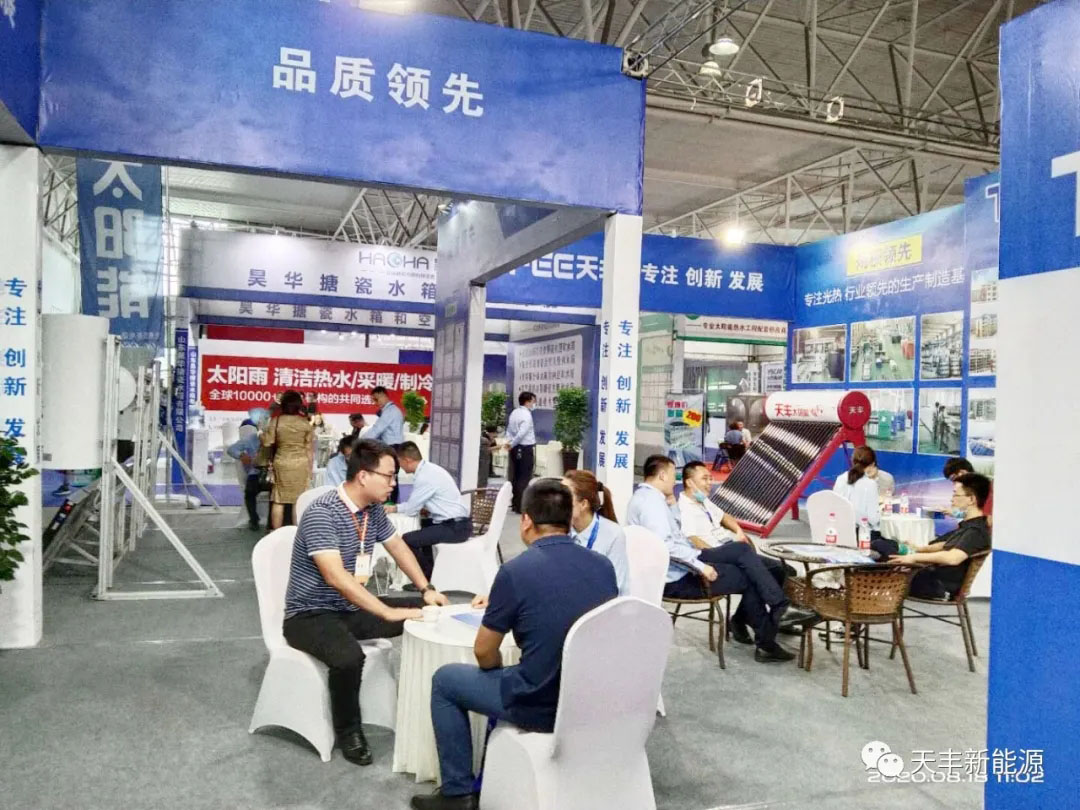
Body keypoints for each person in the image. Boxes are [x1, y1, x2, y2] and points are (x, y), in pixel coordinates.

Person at [410, 479, 617, 810]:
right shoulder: (603, 567)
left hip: (538, 703)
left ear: (526, 521)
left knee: (446, 681)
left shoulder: (515, 571)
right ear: (568, 519)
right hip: (589, 700)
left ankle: (457, 793)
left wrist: (496, 671)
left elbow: (483, 652)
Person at [283, 439, 449, 767]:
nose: (393, 483)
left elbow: (397, 546)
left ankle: (424, 705)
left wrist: (426, 588)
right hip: (309, 615)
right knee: (349, 658)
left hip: (350, 609)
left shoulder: (371, 511)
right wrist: (386, 611)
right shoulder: (323, 513)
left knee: (432, 611)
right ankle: (349, 731)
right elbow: (335, 576)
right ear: (363, 476)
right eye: (388, 476)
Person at [626, 455, 805, 662]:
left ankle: (775, 614)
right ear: (663, 475)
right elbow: (667, 546)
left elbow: (674, 534)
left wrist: (672, 506)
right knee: (750, 574)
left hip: (686, 561)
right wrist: (701, 566)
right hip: (680, 575)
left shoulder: (650, 499)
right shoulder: (652, 504)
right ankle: (770, 630)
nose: (675, 482)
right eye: (673, 476)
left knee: (744, 553)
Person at [888, 473, 992, 599]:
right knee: (886, 549)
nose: (952, 499)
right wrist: (918, 550)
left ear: (971, 499)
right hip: (932, 576)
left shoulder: (976, 531)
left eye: (955, 494)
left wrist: (914, 557)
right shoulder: (968, 526)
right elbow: (945, 545)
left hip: (939, 585)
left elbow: (953, 558)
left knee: (885, 562)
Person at [385, 441, 472, 581]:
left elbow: (411, 510)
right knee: (423, 527)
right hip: (459, 523)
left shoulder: (424, 477)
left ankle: (425, 578)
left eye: (399, 462)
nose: (399, 466)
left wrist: (394, 508)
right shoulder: (430, 469)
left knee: (407, 540)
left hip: (455, 527)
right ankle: (431, 574)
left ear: (407, 460)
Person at [562, 470, 630, 594]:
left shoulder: (613, 534)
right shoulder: (559, 529)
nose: (558, 502)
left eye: (565, 497)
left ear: (583, 504)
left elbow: (618, 586)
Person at [261, 390, 315, 529]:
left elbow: (267, 442)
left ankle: (276, 533)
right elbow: (309, 449)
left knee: (278, 499)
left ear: (283, 405)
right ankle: (296, 534)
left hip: (282, 462)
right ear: (299, 405)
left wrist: (261, 434)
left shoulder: (276, 421)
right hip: (300, 464)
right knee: (298, 500)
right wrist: (310, 469)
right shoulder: (305, 423)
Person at [833, 446, 882, 539]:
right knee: (892, 544)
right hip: (861, 535)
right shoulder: (870, 484)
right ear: (872, 464)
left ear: (853, 461)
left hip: (839, 532)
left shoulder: (840, 479)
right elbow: (873, 519)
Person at [366, 386, 405, 502]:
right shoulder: (392, 410)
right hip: (393, 447)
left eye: (376, 399)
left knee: (389, 477)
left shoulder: (390, 412)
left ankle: (391, 503)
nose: (375, 403)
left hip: (392, 447)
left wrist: (359, 441)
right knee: (390, 476)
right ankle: (391, 502)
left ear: (383, 395)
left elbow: (377, 430)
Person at [227, 422, 264, 531]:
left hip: (274, 472)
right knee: (250, 492)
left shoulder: (279, 437)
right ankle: (254, 519)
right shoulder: (251, 439)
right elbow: (231, 449)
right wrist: (241, 455)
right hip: (256, 472)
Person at [505, 391, 537, 513]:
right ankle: (521, 506)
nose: (534, 404)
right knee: (524, 477)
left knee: (516, 476)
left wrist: (510, 443)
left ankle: (515, 503)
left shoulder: (514, 412)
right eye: (533, 401)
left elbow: (509, 430)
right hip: (524, 448)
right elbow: (522, 433)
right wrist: (512, 443)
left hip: (515, 449)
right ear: (527, 402)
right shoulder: (526, 415)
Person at [943, 457, 993, 525]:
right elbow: (973, 514)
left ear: (962, 473)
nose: (954, 483)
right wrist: (957, 513)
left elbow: (990, 520)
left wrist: (956, 514)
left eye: (953, 479)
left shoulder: (988, 490)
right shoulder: (972, 491)